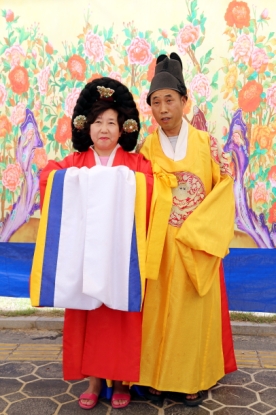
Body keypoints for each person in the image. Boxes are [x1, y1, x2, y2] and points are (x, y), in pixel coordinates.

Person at [39, 77, 153, 410]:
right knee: (87, 314)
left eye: (111, 123)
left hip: (119, 258)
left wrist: (122, 182)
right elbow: (48, 178)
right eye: (97, 122)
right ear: (86, 128)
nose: (104, 129)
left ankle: (120, 382)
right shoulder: (73, 165)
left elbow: (150, 188)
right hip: (84, 258)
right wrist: (77, 180)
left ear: (124, 129)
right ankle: (93, 381)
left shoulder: (136, 166)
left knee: (119, 317)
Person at [136, 53, 237, 406]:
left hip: (195, 245)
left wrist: (201, 233)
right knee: (158, 314)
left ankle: (192, 378)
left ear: (184, 101)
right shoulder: (146, 148)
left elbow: (225, 187)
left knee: (192, 316)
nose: (163, 109)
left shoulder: (206, 144)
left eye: (169, 100)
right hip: (159, 247)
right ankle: (156, 377)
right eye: (155, 102)